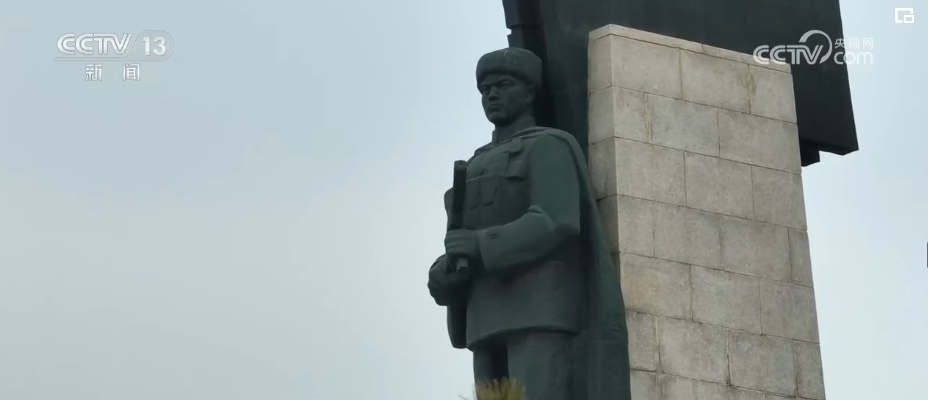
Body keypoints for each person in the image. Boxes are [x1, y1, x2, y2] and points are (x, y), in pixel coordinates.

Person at [427, 47, 630, 400]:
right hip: (482, 318)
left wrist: (480, 245)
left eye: (503, 85)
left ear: (529, 92)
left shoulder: (549, 146)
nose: (492, 95)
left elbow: (556, 220)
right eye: (485, 89)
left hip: (539, 312)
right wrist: (442, 273)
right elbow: (457, 240)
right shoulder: (472, 166)